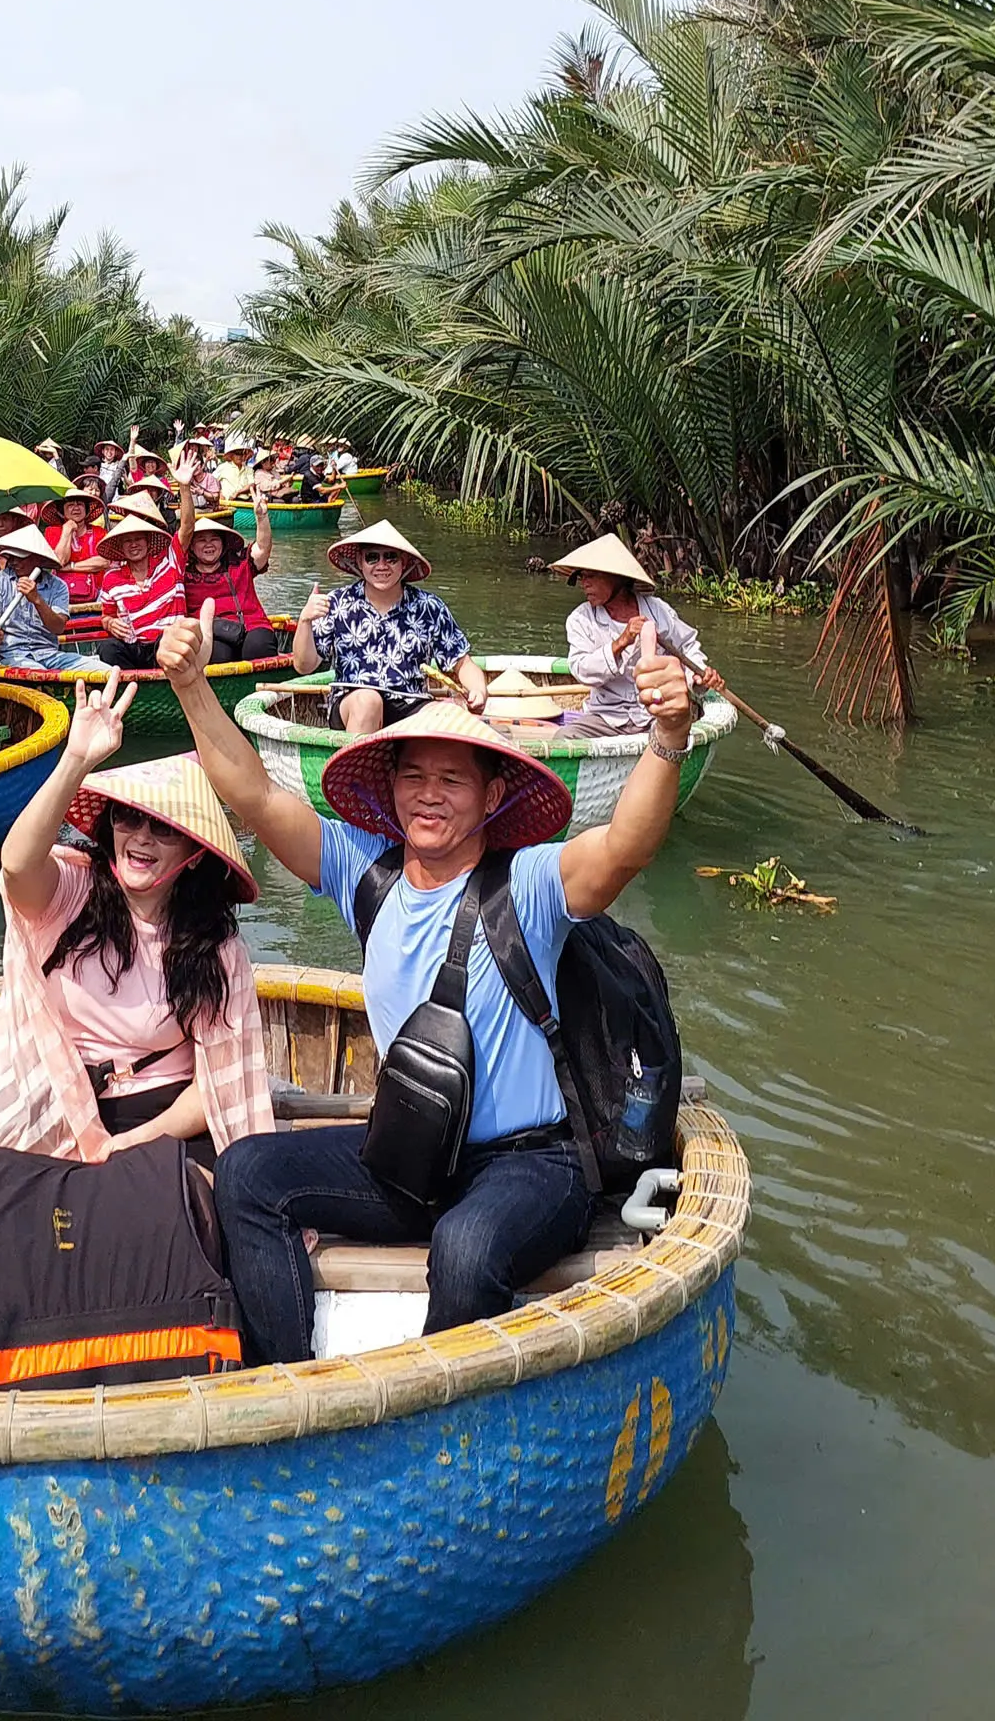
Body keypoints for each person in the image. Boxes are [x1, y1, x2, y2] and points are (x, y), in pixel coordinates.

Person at [156, 601, 699, 1362]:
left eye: (452, 779)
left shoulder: (530, 884)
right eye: (413, 776)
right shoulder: (365, 876)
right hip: (410, 1155)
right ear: (391, 789)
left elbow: (624, 849)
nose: (429, 794)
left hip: (531, 1164)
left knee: (468, 1246)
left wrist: (667, 739)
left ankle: (434, 1420)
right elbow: (254, 794)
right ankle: (290, 1383)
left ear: (492, 797)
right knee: (248, 1174)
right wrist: (188, 684)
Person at [0, 676, 274, 1172]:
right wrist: (77, 760)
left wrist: (131, 1143)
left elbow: (215, 1083)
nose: (141, 839)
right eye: (128, 820)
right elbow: (18, 865)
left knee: (170, 1217)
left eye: (163, 829)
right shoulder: (72, 891)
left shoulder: (213, 946)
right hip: (54, 1095)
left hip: (161, 1113)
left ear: (195, 855)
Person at [291, 520, 487, 734]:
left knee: (448, 714)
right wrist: (305, 621)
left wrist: (478, 690)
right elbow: (304, 665)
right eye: (372, 557)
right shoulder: (338, 603)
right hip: (354, 703)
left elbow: (462, 663)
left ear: (403, 562)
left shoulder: (429, 607)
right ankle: (356, 765)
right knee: (368, 701)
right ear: (360, 561)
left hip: (412, 703)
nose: (382, 565)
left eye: (390, 557)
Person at [550, 532, 722, 735]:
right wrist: (620, 642)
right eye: (582, 577)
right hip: (607, 716)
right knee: (565, 736)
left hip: (656, 713)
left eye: (591, 576)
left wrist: (699, 676)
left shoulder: (657, 610)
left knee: (678, 730)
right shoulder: (581, 619)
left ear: (616, 578)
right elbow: (581, 670)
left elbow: (686, 648)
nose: (584, 584)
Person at [172, 454, 280, 663]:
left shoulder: (238, 563)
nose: (209, 545)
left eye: (214, 539)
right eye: (201, 541)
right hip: (211, 632)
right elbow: (185, 528)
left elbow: (263, 549)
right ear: (192, 548)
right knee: (218, 653)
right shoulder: (184, 572)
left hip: (250, 625)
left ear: (223, 544)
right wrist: (184, 487)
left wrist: (261, 518)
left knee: (259, 645)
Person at [93, 514, 187, 669]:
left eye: (138, 539)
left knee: (170, 639)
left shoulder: (169, 562)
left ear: (148, 542)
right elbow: (106, 616)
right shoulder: (112, 577)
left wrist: (184, 488)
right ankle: (133, 688)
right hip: (134, 645)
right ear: (121, 548)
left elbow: (187, 527)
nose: (133, 544)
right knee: (107, 648)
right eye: (128, 541)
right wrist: (110, 623)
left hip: (167, 641)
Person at [0, 524, 73, 671]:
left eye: (21, 558)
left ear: (38, 559)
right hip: (9, 654)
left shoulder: (58, 586)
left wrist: (37, 600)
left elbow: (58, 628)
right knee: (39, 672)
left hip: (49, 654)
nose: (14, 562)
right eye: (12, 557)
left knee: (103, 669)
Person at [43, 482, 106, 571]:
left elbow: (103, 562)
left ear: (86, 510)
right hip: (62, 584)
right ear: (61, 512)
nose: (76, 508)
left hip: (96, 584)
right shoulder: (52, 531)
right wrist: (67, 530)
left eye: (80, 504)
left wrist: (71, 567)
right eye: (70, 505)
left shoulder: (99, 532)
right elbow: (59, 561)